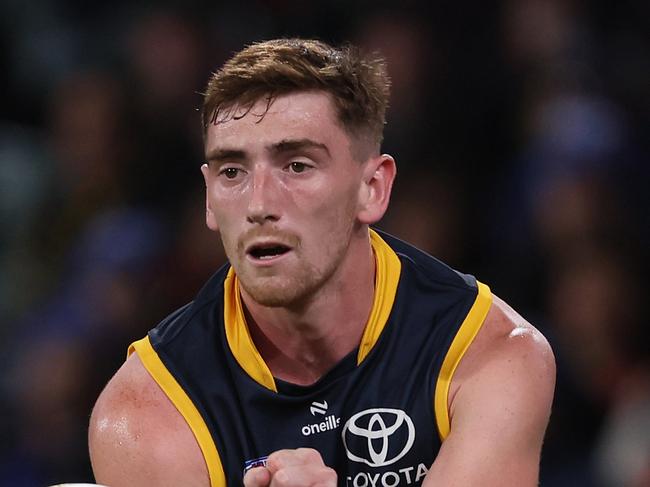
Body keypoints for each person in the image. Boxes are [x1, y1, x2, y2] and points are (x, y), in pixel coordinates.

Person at [88, 38, 555, 487]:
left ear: (372, 188)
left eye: (297, 165)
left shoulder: (491, 353)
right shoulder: (145, 412)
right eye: (233, 171)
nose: (259, 204)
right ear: (209, 198)